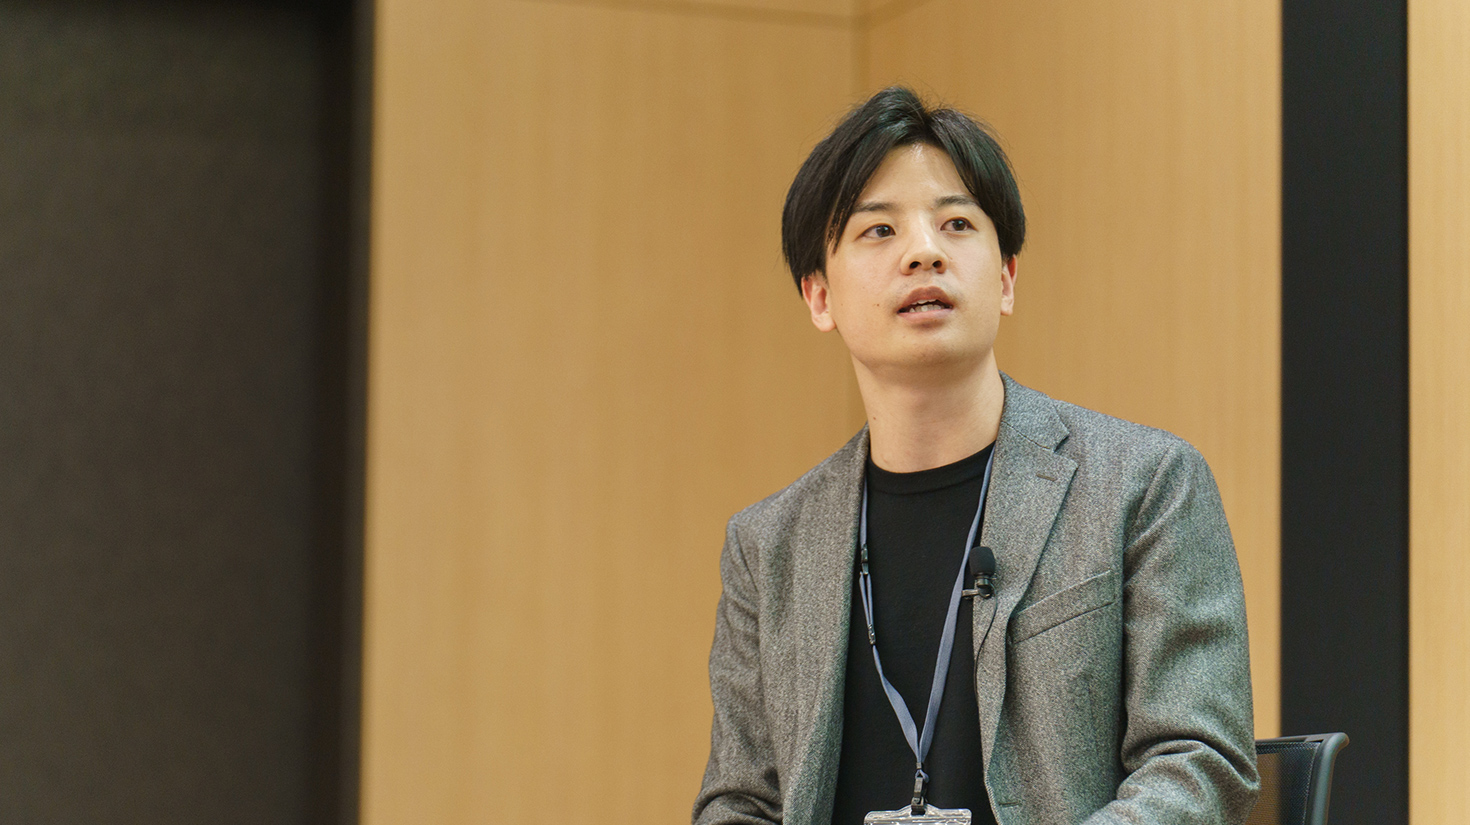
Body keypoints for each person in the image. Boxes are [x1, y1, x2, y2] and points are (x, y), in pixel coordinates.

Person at [692, 87, 1259, 825]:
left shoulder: (1144, 486)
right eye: (879, 230)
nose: (923, 250)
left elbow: (1200, 759)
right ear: (819, 296)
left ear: (1006, 278)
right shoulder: (768, 547)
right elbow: (741, 800)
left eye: (956, 223)